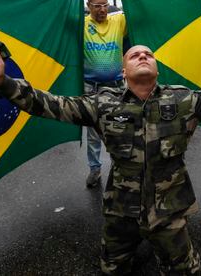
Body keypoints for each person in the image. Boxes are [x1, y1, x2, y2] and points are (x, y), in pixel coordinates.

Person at [0, 14, 201, 275]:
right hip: (121, 208)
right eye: (135, 54)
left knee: (185, 270)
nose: (143, 55)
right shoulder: (102, 103)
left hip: (170, 208)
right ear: (123, 72)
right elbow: (46, 103)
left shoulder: (184, 99)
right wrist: (2, 82)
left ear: (155, 68)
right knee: (111, 268)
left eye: (148, 54)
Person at [84, 0, 127, 188]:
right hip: (91, 87)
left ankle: (123, 166)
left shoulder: (118, 21)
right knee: (93, 131)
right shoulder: (81, 24)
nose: (102, 9)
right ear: (89, 4)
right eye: (97, 6)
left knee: (121, 126)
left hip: (117, 85)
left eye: (105, 5)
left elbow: (141, 10)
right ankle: (95, 168)